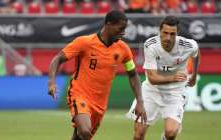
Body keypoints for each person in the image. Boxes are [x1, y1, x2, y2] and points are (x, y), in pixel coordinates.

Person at [48, 10, 147, 140]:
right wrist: (51, 82)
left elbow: (133, 75)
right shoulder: (85, 42)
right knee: (84, 131)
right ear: (109, 24)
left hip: (100, 103)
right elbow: (58, 59)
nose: (123, 32)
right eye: (121, 28)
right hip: (79, 94)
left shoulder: (124, 49)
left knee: (80, 137)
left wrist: (140, 101)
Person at [126, 15, 200, 140]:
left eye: (172, 34)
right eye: (165, 33)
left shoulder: (188, 45)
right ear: (159, 31)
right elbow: (152, 79)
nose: (168, 37)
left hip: (175, 93)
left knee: (170, 133)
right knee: (138, 135)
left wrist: (194, 75)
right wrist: (173, 77)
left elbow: (196, 53)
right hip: (151, 92)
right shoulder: (150, 45)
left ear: (177, 34)